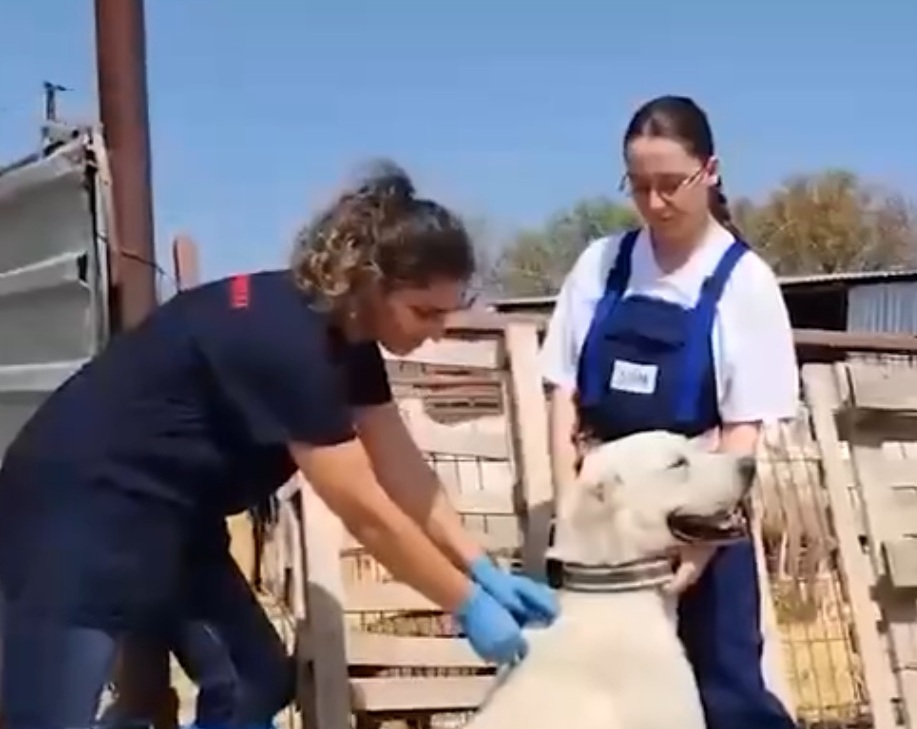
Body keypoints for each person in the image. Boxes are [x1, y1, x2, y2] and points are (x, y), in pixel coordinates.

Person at [0, 161, 558, 729]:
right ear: (369, 282)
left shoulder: (352, 338)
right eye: (424, 312)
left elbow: (403, 469)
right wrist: (465, 604)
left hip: (173, 519)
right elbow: (368, 515)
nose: (438, 329)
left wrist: (483, 569)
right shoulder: (291, 342)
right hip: (73, 512)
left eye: (448, 311)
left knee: (254, 681)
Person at [540, 96, 800, 729]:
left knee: (725, 694)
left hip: (697, 516)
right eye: (638, 186)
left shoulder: (744, 283)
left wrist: (703, 544)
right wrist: (571, 507)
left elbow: (743, 432)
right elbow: (561, 392)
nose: (654, 204)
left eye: (669, 185)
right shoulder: (602, 265)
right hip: (607, 527)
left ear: (709, 171)